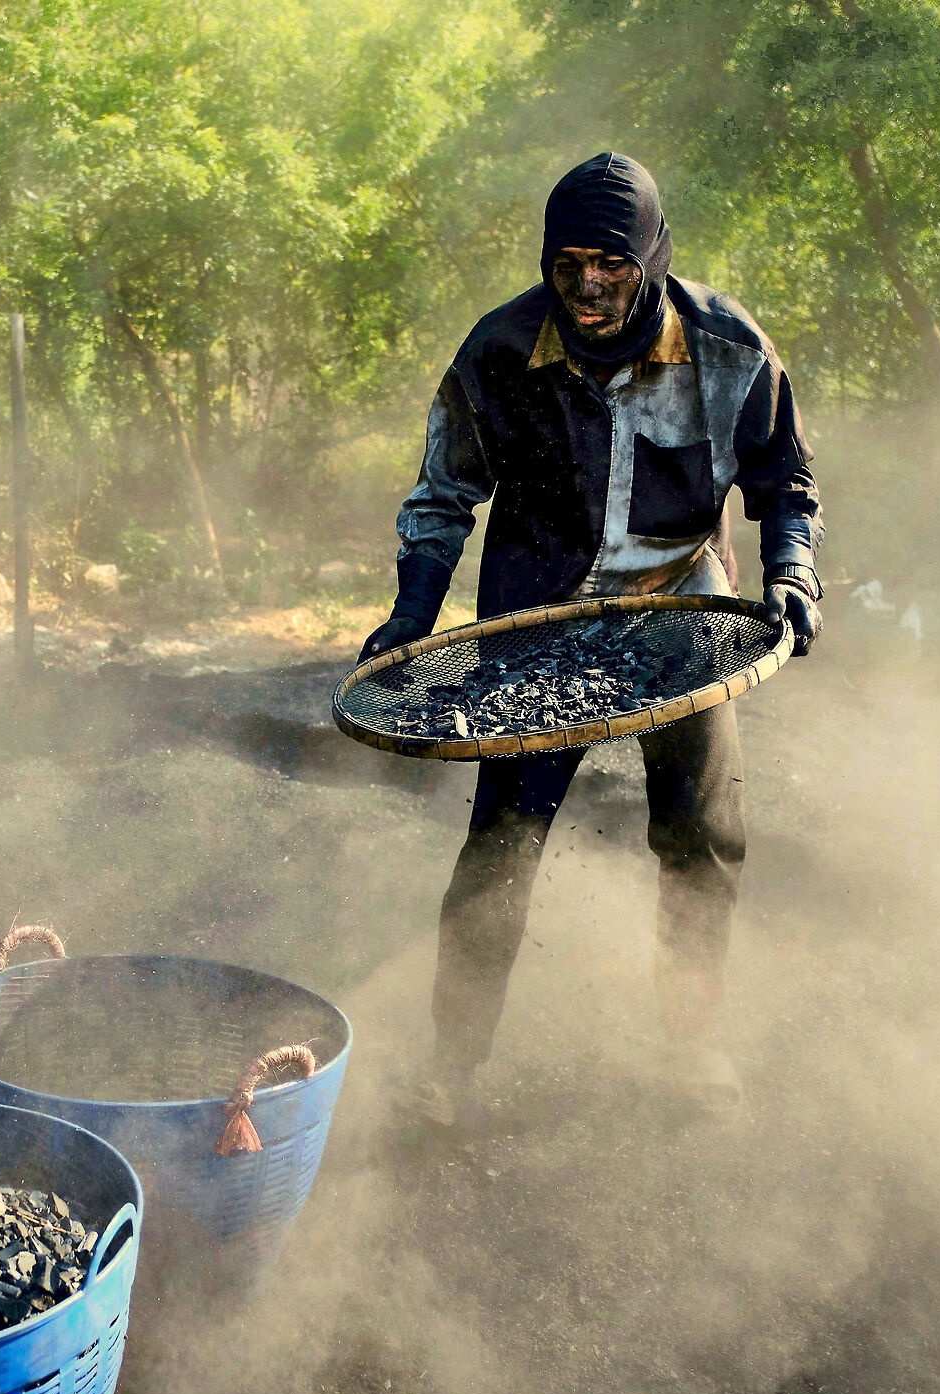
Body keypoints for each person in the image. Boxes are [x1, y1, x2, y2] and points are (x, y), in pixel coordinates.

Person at [359, 152, 823, 1121]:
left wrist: (793, 571)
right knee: (502, 848)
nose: (587, 284)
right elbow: (444, 497)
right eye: (566, 262)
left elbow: (785, 482)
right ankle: (452, 1067)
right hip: (541, 618)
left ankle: (687, 1049)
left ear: (653, 256)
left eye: (611, 262)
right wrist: (412, 613)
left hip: (680, 613)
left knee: (706, 837)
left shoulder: (729, 347)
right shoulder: (499, 350)